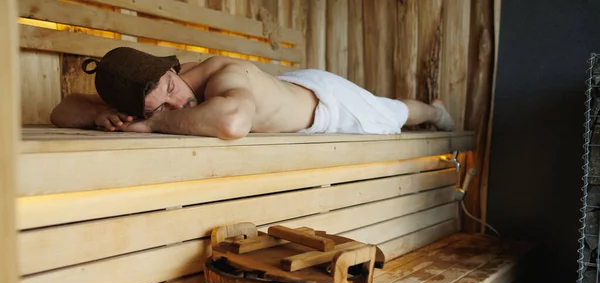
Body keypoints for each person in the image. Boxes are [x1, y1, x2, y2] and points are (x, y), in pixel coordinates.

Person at [50, 47, 455, 140]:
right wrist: (97, 114)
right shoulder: (149, 90)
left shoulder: (223, 74)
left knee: (396, 111)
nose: (180, 102)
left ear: (171, 69)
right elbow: (61, 111)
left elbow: (232, 122)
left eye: (173, 87)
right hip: (280, 90)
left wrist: (156, 122)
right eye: (159, 104)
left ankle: (436, 113)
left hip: (327, 104)